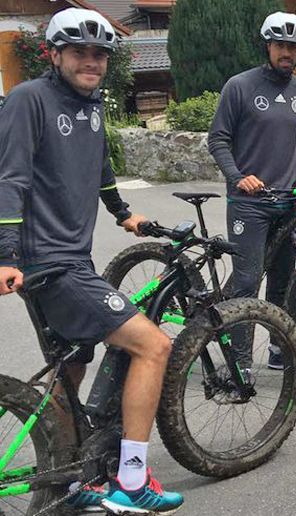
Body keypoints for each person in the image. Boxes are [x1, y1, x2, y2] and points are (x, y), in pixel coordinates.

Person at [0, 8, 183, 513]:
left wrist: (124, 214)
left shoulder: (93, 105)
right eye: (79, 52)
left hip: (67, 258)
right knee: (154, 345)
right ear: (54, 54)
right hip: (49, 264)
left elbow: (99, 166)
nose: (91, 62)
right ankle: (131, 481)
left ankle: (67, 478)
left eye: (99, 54)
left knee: (72, 363)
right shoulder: (28, 100)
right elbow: (10, 179)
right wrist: (6, 255)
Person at [208, 12, 296, 371]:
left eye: (293, 47)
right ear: (268, 46)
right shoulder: (239, 86)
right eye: (280, 45)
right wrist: (237, 175)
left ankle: (276, 347)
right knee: (246, 282)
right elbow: (218, 139)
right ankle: (238, 361)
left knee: (284, 281)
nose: (286, 52)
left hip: (287, 201)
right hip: (249, 204)